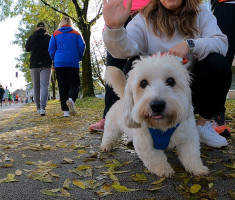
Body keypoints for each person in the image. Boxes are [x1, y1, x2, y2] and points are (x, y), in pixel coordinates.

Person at [102, 0, 231, 148]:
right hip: (154, 91)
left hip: (190, 89)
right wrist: (115, 29)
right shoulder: (143, 17)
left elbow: (221, 43)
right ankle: (144, 129)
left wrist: (190, 45)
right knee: (132, 64)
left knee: (218, 64)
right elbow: (125, 51)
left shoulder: (201, 14)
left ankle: (202, 126)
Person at [89, 0, 150, 132]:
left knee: (143, 70)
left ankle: (144, 123)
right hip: (119, 12)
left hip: (148, 12)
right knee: (113, 70)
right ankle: (108, 118)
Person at [48, 16, 85, 117]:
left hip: (59, 62)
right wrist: (79, 57)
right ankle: (71, 99)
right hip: (73, 62)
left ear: (61, 23)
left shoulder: (55, 34)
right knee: (74, 84)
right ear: (70, 23)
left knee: (62, 86)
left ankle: (65, 112)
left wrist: (54, 60)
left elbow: (51, 49)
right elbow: (82, 46)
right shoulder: (76, 33)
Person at [210, 0, 235, 137]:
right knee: (223, 61)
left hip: (225, 7)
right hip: (225, 5)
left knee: (224, 60)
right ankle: (219, 119)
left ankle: (219, 120)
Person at [25, 22, 52, 116]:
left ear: (36, 28)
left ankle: (38, 107)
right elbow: (53, 49)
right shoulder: (49, 37)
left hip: (34, 65)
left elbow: (27, 49)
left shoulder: (32, 37)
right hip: (46, 64)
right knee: (45, 86)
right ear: (44, 28)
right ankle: (42, 108)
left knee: (36, 86)